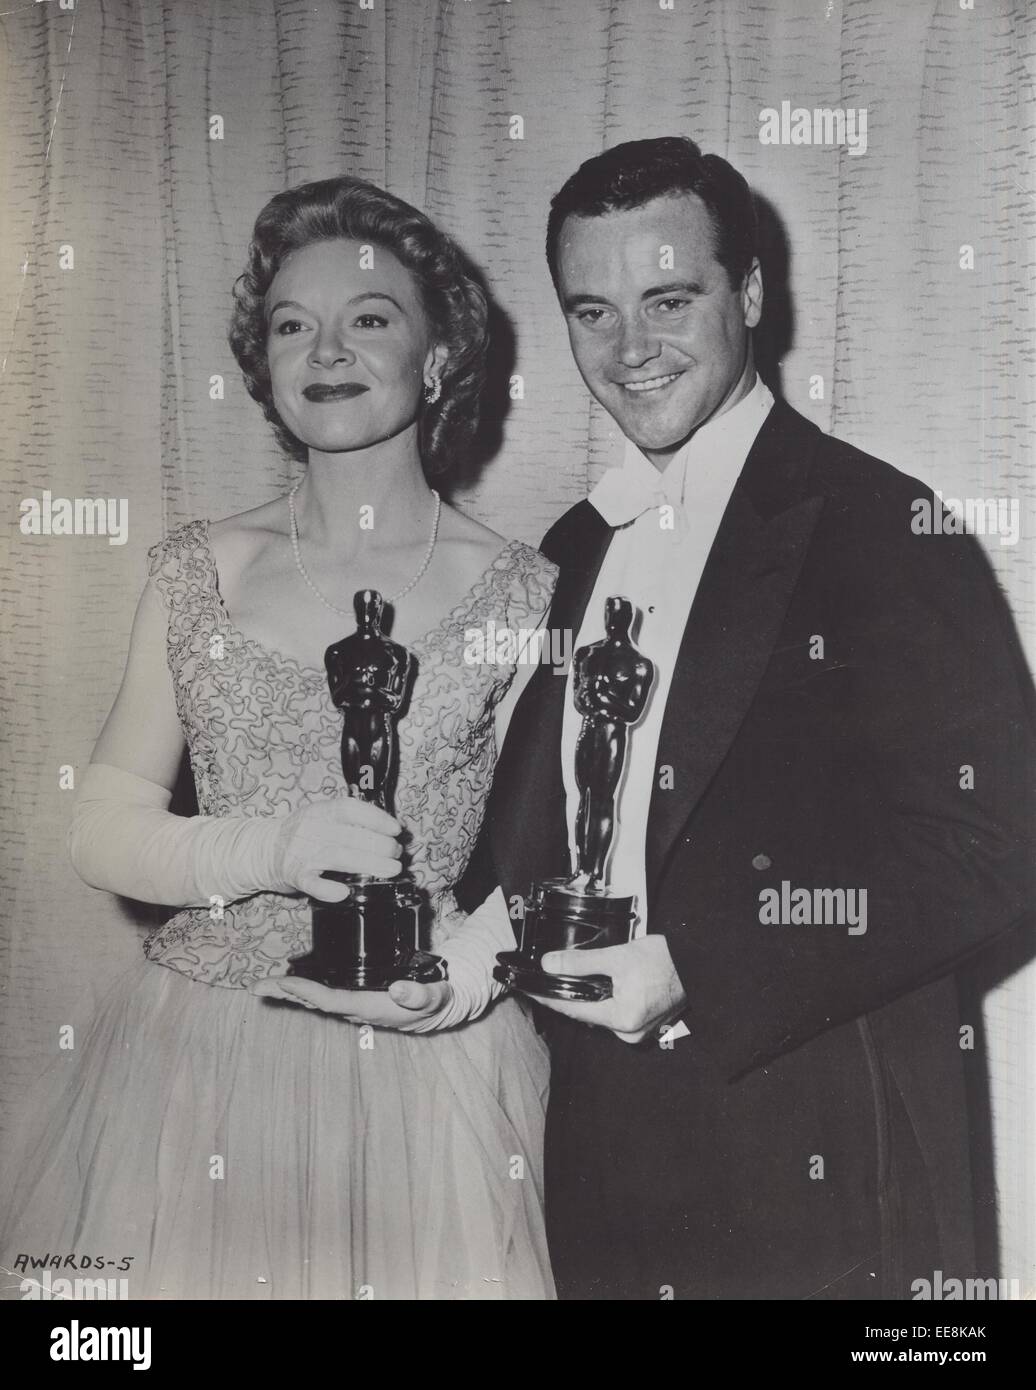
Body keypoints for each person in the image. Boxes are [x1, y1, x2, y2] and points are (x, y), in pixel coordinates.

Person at [292, 136, 1033, 1300]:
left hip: (821, 1155)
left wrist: (701, 967)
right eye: (593, 312)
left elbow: (994, 848)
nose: (630, 350)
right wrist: (468, 963)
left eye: (669, 299)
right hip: (598, 1150)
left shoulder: (878, 524)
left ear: (748, 293)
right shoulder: (577, 546)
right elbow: (546, 827)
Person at [0, 176, 557, 1300]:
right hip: (197, 1059)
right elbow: (102, 830)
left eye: (370, 318)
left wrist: (474, 968)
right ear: (264, 369)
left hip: (424, 1072)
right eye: (293, 325)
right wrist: (268, 846)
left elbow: (554, 867)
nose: (328, 349)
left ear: (438, 356)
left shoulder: (526, 592)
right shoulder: (201, 567)